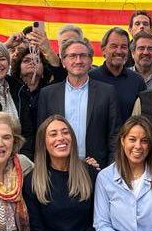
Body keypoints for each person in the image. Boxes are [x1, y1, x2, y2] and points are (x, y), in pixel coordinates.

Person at [38, 37, 120, 169]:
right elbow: (41, 136)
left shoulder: (107, 92)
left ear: (91, 61)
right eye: (72, 56)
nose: (78, 61)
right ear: (63, 62)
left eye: (83, 56)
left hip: (96, 169)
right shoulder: (48, 94)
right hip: (58, 169)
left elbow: (114, 136)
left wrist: (109, 170)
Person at [89, 27, 145, 119]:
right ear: (103, 50)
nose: (119, 51)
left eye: (123, 47)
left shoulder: (137, 81)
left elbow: (143, 116)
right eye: (114, 46)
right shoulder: (91, 78)